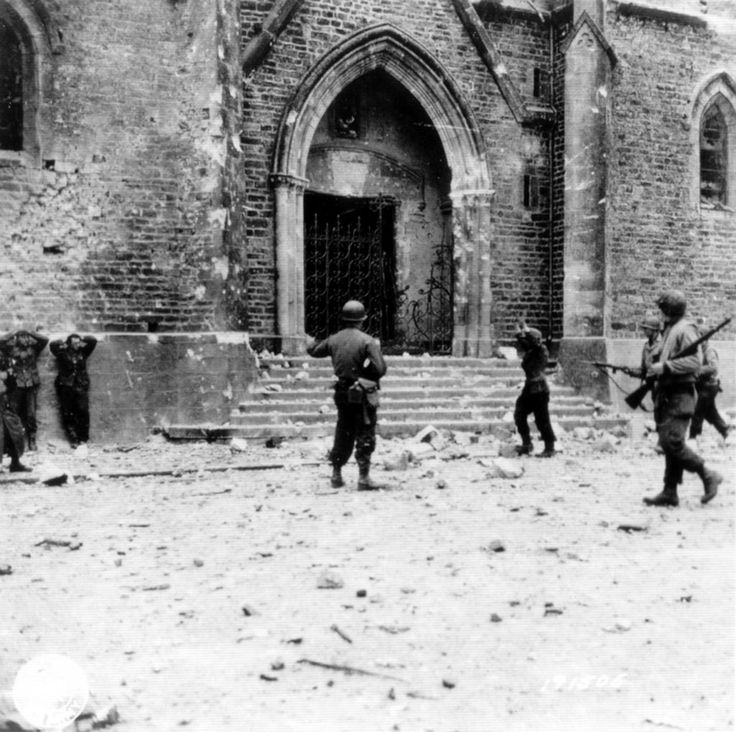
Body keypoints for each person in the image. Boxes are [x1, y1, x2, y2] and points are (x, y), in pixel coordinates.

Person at [643, 290, 722, 507]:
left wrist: (666, 366)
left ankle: (708, 474)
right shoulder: (670, 329)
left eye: (662, 309)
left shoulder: (685, 329)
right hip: (669, 395)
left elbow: (695, 363)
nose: (660, 313)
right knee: (670, 442)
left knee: (671, 442)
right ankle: (670, 491)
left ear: (670, 310)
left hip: (681, 395)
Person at [306, 300, 387, 490]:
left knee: (343, 431)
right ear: (361, 320)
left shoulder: (334, 339)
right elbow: (381, 369)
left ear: (344, 319)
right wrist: (366, 374)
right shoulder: (368, 341)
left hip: (342, 393)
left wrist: (309, 340)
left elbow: (314, 351)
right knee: (365, 433)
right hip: (362, 395)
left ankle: (336, 474)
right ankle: (363, 477)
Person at [0, 329, 49, 451]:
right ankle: (12, 443)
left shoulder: (33, 349)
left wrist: (31, 332)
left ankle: (32, 440)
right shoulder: (12, 349)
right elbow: (1, 342)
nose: (25, 339)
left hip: (31, 385)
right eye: (22, 337)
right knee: (13, 414)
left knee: (31, 414)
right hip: (16, 385)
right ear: (17, 338)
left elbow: (45, 340)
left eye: (27, 337)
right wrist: (13, 332)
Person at [513, 321, 556, 457]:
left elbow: (534, 343)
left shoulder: (541, 349)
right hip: (530, 388)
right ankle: (527, 444)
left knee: (542, 419)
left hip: (539, 390)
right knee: (519, 414)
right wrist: (520, 333)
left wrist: (527, 330)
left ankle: (550, 448)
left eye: (530, 338)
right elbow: (526, 343)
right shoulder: (532, 350)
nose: (528, 340)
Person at [49, 333, 97, 448]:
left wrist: (81, 338)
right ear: (69, 343)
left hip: (80, 385)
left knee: (83, 411)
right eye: (74, 343)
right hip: (65, 386)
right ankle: (73, 438)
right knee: (67, 412)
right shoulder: (62, 353)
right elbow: (53, 345)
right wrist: (64, 342)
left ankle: (83, 438)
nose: (77, 345)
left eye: (78, 343)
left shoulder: (84, 352)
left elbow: (93, 340)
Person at [689, 330, 731, 441]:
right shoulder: (700, 351)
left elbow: (713, 367)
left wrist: (698, 370)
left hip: (709, 386)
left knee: (698, 412)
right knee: (710, 412)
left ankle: (694, 436)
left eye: (700, 339)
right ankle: (725, 430)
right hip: (704, 386)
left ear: (705, 339)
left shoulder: (709, 351)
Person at [0, 348, 30, 472]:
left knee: (14, 431)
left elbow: (12, 383)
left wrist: (7, 375)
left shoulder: (4, 359)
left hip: (4, 401)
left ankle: (15, 462)